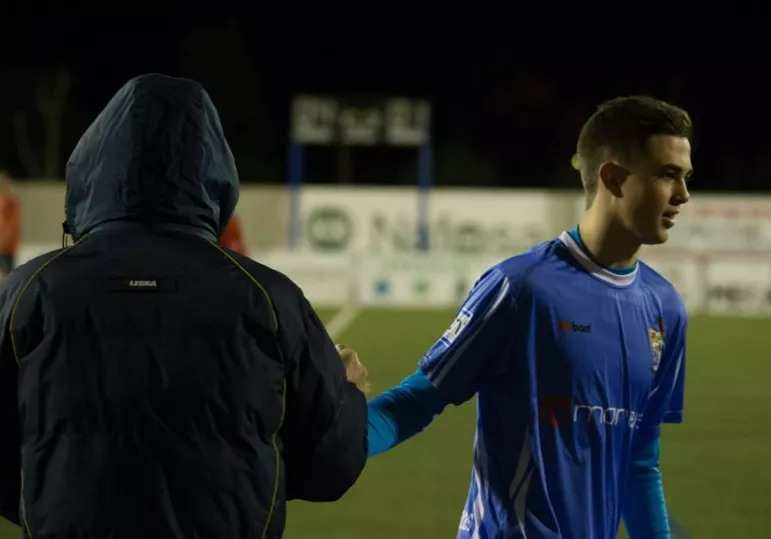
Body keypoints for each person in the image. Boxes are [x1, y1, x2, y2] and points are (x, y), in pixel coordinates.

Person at [0, 74, 369, 538]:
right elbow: (329, 467)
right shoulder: (268, 297)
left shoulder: (29, 291)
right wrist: (349, 397)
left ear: (94, 166)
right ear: (213, 171)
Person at [366, 96, 693, 539]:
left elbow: (638, 462)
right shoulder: (521, 289)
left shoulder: (665, 307)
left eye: (685, 177)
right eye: (666, 174)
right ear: (613, 177)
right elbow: (418, 400)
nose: (683, 195)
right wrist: (332, 440)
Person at [0, 171, 20, 279]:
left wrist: (3, 242)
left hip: (6, 248)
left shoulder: (11, 203)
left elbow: (12, 226)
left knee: (7, 276)